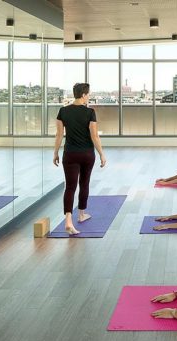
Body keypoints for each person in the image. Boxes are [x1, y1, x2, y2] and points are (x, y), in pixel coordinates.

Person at [53, 83, 107, 235]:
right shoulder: (90, 112)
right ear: (83, 95)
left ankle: (68, 220)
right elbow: (94, 136)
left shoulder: (63, 111)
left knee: (70, 187)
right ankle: (81, 215)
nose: (88, 96)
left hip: (69, 154)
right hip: (87, 154)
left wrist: (55, 152)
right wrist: (102, 154)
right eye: (88, 94)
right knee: (84, 183)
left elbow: (59, 135)